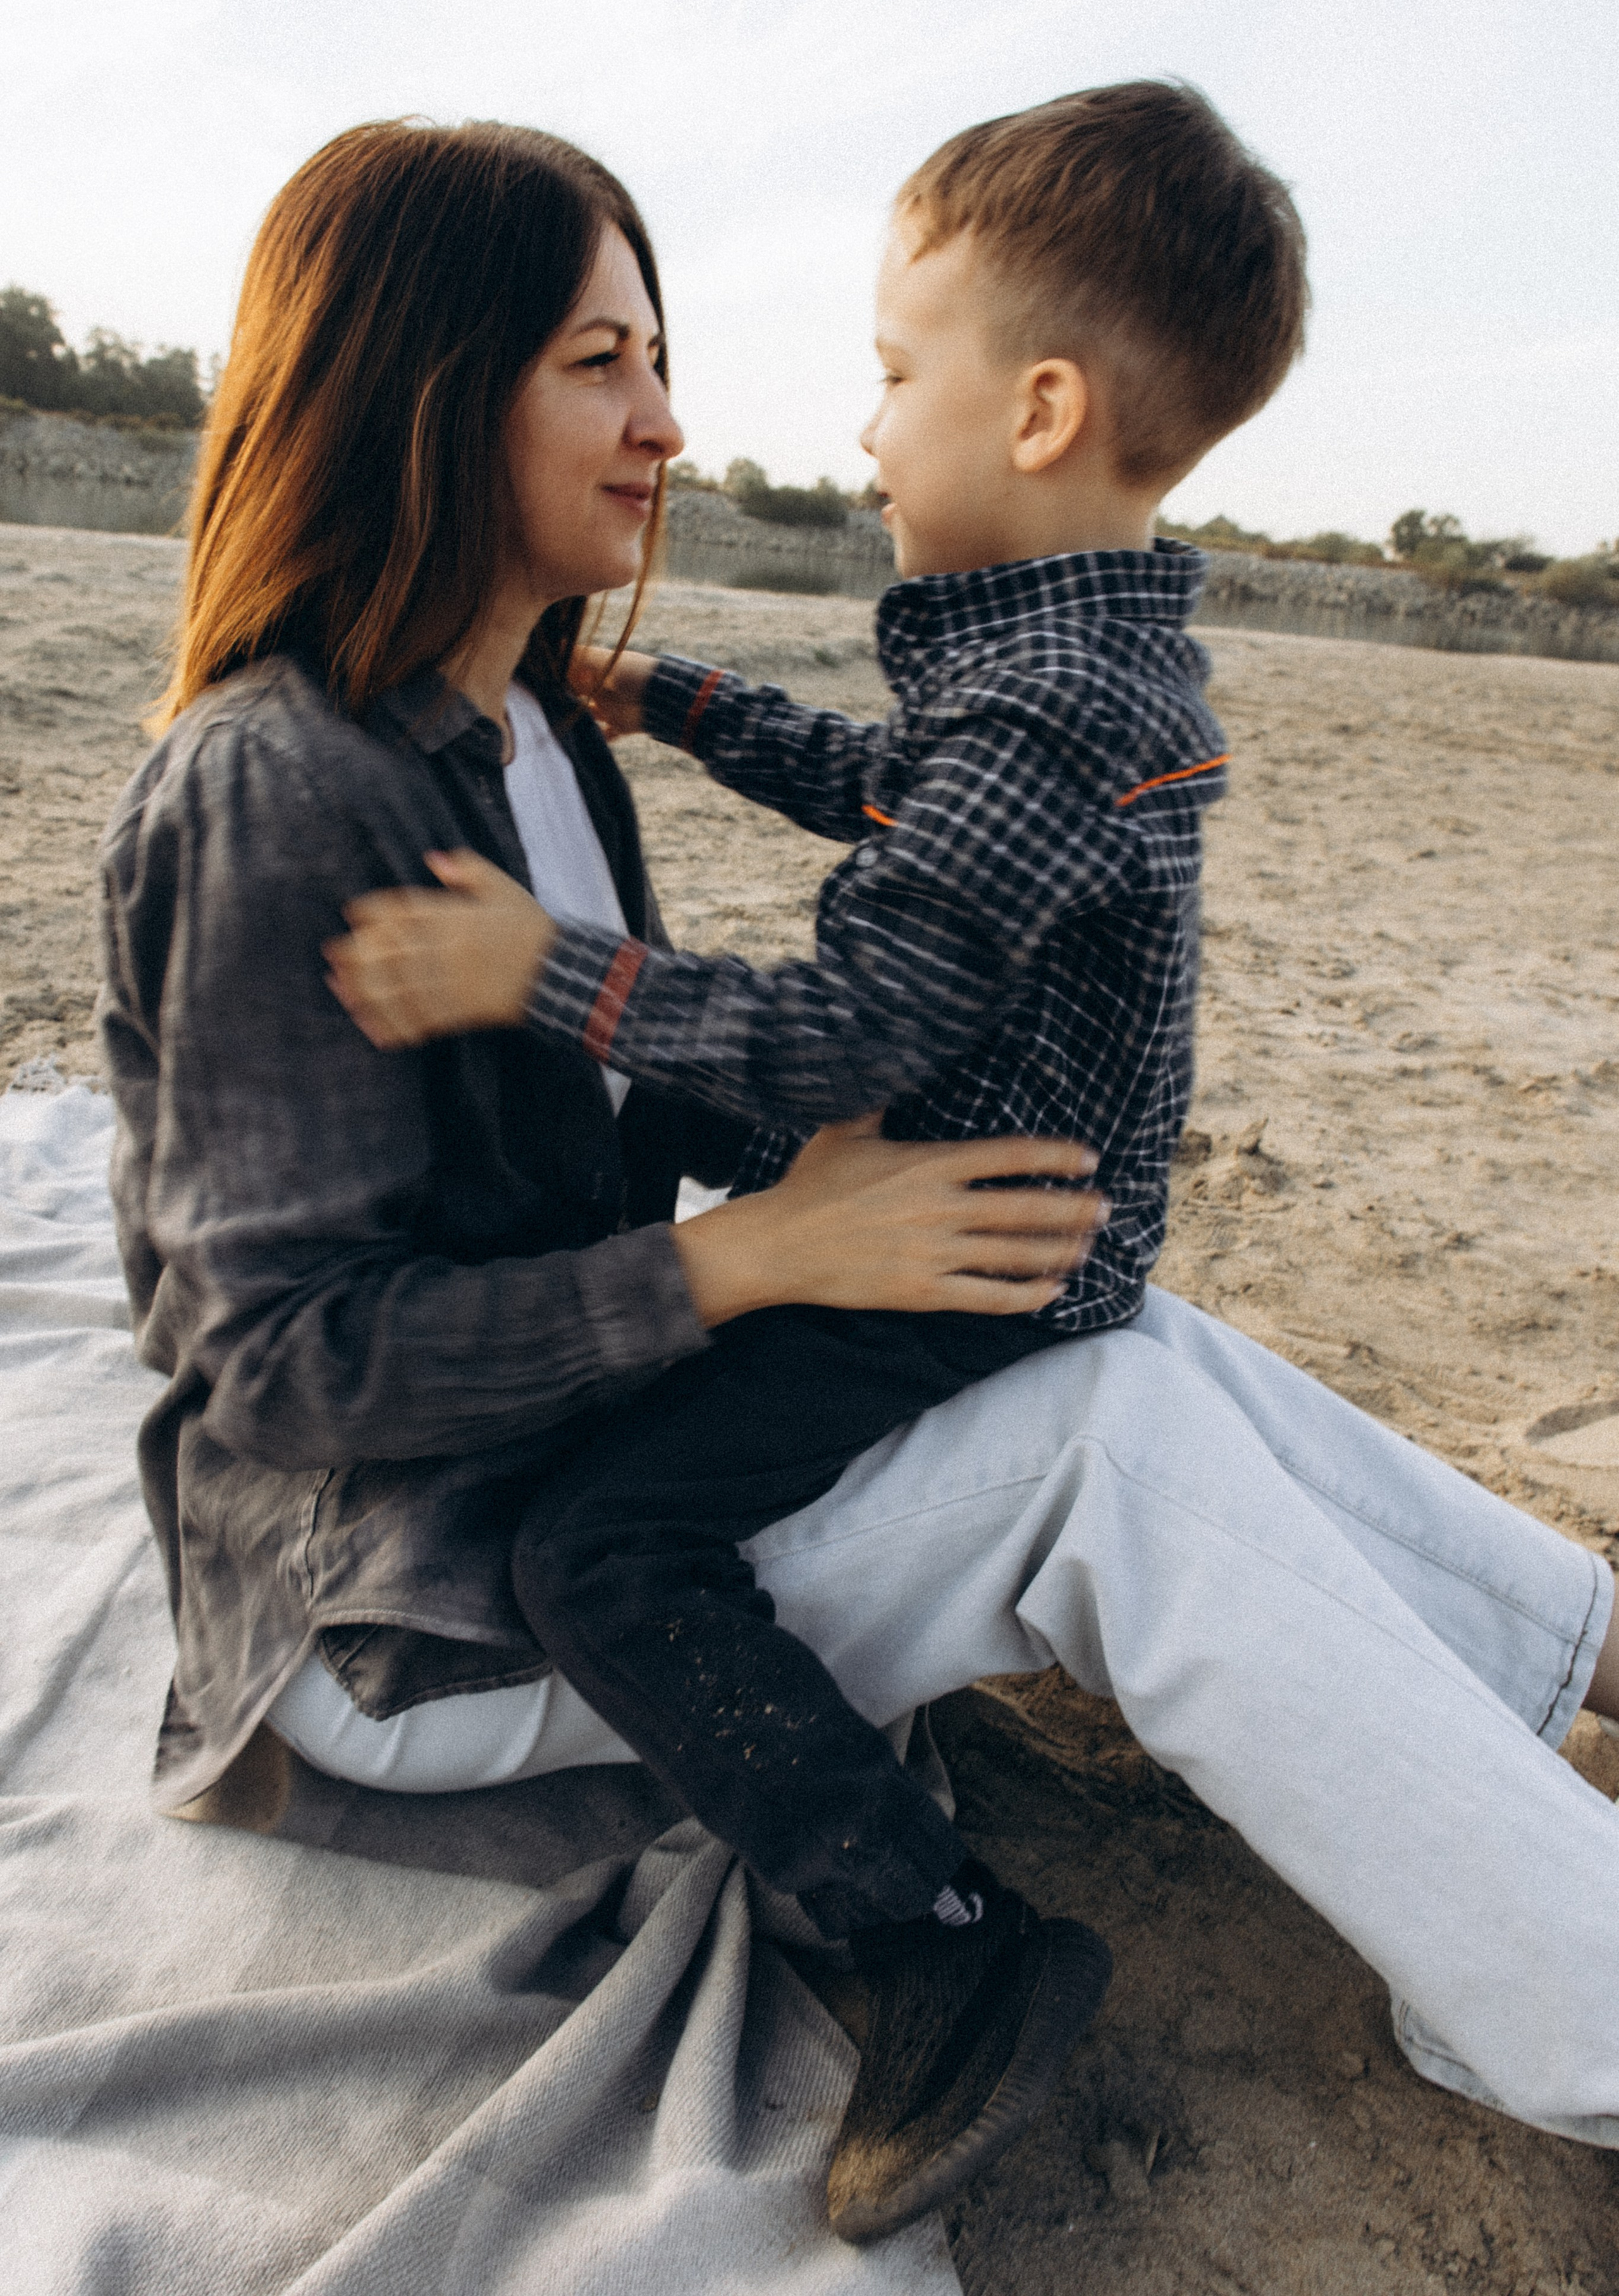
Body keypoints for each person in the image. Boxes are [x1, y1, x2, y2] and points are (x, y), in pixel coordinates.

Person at [99, 111, 1619, 2262]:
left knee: (1097, 1317)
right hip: (416, 1599)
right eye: (597, 363)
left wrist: (787, 1211)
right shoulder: (274, 794)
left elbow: (625, 1112)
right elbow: (275, 1379)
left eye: (657, 353)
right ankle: (1563, 2004)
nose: (669, 421)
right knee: (1099, 1436)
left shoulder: (533, 728)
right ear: (425, 388)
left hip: (578, 1436)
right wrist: (742, 1260)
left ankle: (1573, 1654)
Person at [322, 83, 1310, 2235]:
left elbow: (850, 1027)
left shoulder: (1047, 699)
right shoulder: (1069, 653)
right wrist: (688, 702)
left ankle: (938, 1946)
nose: (862, 430)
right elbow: (902, 795)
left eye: (892, 371)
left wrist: (539, 966)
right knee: (668, 1123)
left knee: (602, 1555)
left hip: (979, 1233)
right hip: (974, 1151)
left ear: (1038, 406)